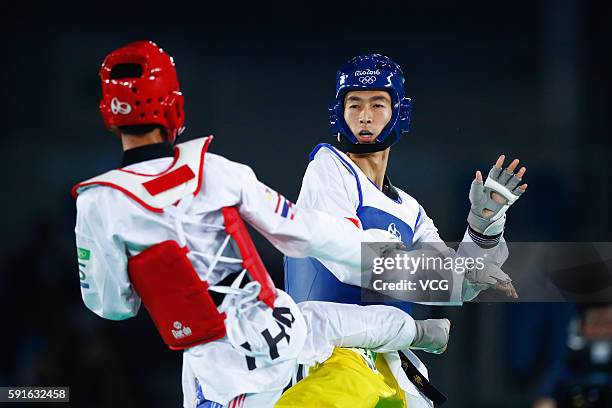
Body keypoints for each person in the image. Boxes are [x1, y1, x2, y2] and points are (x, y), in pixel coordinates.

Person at [73, 41, 450, 408]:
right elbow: (308, 234)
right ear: (176, 108)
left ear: (109, 113)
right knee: (326, 322)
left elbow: (113, 307)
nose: (365, 115)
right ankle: (416, 332)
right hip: (283, 334)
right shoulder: (219, 172)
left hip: (217, 365)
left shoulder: (98, 202)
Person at [283, 54, 528, 406]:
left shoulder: (410, 211)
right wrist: (450, 287)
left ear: (399, 111)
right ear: (339, 111)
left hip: (395, 368)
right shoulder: (328, 168)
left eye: (377, 104)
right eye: (354, 104)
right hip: (332, 357)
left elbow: (452, 284)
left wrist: (483, 226)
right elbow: (349, 258)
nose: (365, 116)